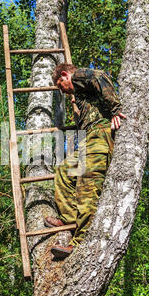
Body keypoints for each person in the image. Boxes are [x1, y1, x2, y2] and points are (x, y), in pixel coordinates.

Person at [45, 63, 126, 259]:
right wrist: (75, 102)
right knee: (64, 171)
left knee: (86, 186)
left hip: (100, 137)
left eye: (59, 85)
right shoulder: (79, 94)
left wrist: (115, 109)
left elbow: (99, 76)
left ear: (65, 76)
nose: (61, 91)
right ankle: (71, 220)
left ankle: (80, 243)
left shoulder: (78, 77)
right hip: (88, 139)